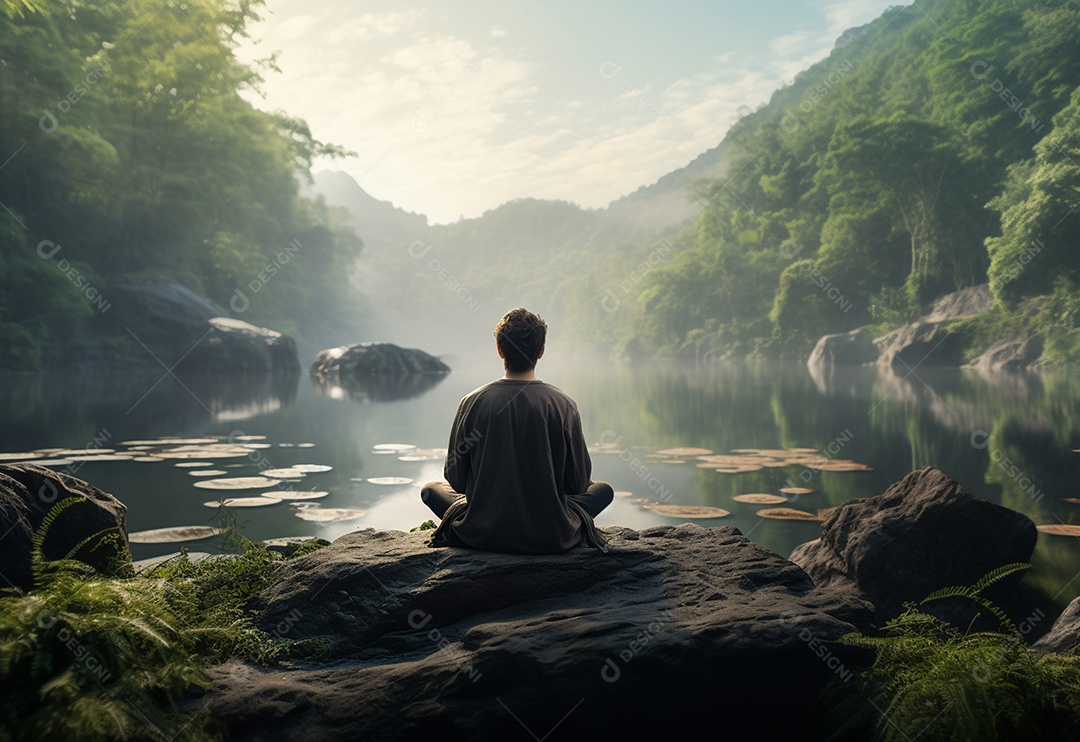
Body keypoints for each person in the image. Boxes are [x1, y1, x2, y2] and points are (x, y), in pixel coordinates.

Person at [420, 308, 613, 553]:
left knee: (430, 490)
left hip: (482, 532)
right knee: (603, 490)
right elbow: (577, 484)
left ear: (500, 350)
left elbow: (456, 481)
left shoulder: (472, 402)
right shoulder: (563, 404)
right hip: (551, 534)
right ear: (541, 350)